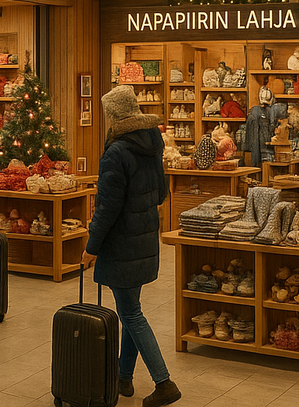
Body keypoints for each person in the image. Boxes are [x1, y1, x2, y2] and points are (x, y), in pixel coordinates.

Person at [81, 85, 180, 407]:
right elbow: (162, 194)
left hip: (123, 243)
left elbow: (106, 207)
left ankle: (163, 382)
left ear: (113, 116)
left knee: (132, 315)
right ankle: (123, 376)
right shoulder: (152, 145)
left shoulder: (117, 152)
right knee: (131, 310)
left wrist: (91, 247)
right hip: (145, 237)